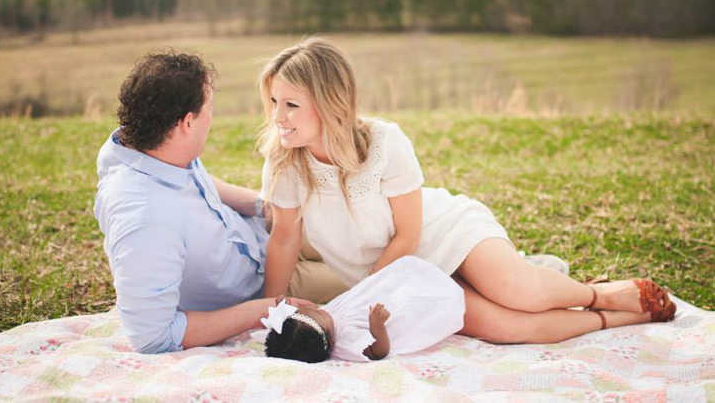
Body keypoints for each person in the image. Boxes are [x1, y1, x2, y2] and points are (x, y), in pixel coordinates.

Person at [257, 38, 676, 345]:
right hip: (394, 276)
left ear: (331, 103)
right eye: (274, 101)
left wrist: (370, 287)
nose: (278, 116)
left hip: (438, 234)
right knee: (506, 328)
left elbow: (408, 234)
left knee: (520, 293)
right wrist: (270, 311)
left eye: (291, 104)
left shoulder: (384, 141)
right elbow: (285, 238)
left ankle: (602, 293)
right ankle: (616, 319)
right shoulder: (283, 161)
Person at [93, 50, 344, 354]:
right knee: (368, 270)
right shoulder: (146, 223)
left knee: (366, 231)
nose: (213, 115)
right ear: (187, 122)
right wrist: (262, 310)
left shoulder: (143, 148)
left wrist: (264, 206)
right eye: (209, 108)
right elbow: (152, 337)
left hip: (260, 231)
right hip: (263, 285)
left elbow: (195, 184)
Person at [262, 256, 465, 363]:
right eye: (317, 312)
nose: (316, 307)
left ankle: (436, 275)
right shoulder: (346, 342)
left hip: (370, 296)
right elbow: (378, 352)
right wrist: (377, 327)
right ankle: (445, 286)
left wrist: (285, 304)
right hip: (383, 314)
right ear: (330, 340)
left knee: (399, 282)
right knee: (414, 299)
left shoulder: (320, 325)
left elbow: (297, 322)